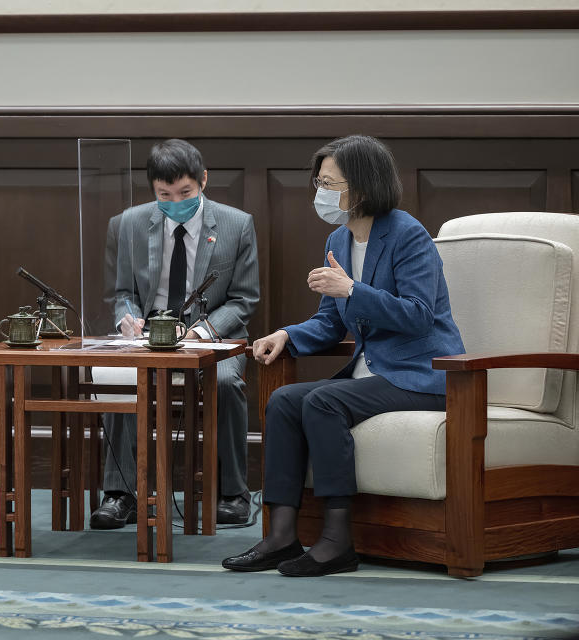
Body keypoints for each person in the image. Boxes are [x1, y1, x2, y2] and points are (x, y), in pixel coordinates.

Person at [221, 135, 464, 577]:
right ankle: (280, 535)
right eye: (320, 182)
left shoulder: (408, 235)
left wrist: (353, 289)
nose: (322, 192)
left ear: (364, 187)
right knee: (283, 401)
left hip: (422, 376)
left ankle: (336, 541)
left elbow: (419, 316)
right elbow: (331, 323)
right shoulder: (339, 237)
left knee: (322, 400)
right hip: (373, 376)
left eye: (330, 183)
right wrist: (286, 335)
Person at [91, 139, 261, 529]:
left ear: (203, 180)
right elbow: (122, 293)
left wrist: (201, 332)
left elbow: (244, 299)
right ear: (153, 189)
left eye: (185, 192)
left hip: (211, 333)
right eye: (164, 195)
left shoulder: (237, 224)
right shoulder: (129, 223)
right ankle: (121, 493)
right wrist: (127, 320)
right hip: (147, 334)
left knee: (226, 381)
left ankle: (232, 492)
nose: (176, 201)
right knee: (118, 377)